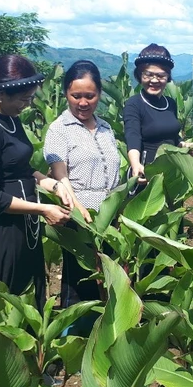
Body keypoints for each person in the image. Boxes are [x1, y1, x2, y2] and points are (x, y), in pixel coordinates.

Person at [0, 55, 71, 310]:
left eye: (30, 98)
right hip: (5, 231)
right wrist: (43, 209)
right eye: (24, 99)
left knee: (30, 299)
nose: (27, 104)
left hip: (26, 227)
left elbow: (20, 167)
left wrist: (51, 184)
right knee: (7, 303)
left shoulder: (10, 119)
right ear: (1, 94)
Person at [43, 60, 122, 309]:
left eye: (90, 96)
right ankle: (76, 337)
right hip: (80, 217)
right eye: (76, 96)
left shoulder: (106, 128)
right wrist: (79, 210)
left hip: (110, 219)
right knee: (80, 282)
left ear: (99, 94)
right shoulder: (59, 129)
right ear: (66, 93)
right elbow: (59, 175)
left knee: (110, 281)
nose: (83, 102)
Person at [124, 43, 193, 186]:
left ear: (168, 77)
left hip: (171, 175)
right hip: (145, 175)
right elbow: (132, 136)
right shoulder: (134, 104)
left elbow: (171, 138)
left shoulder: (170, 103)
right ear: (140, 76)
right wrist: (135, 165)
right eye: (148, 75)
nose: (154, 80)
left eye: (160, 75)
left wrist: (184, 145)